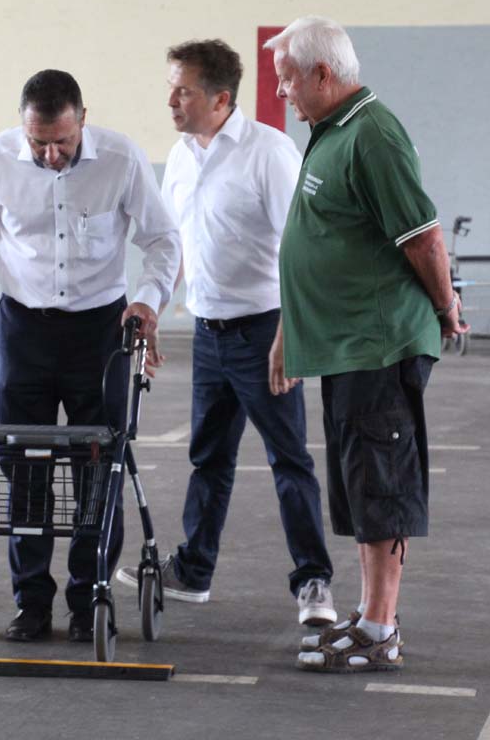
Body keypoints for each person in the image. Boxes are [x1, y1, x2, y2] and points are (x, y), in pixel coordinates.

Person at [263, 17, 466, 672]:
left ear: (323, 74)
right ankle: (370, 616)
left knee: (381, 485)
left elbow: (423, 237)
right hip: (345, 346)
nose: (282, 92)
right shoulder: (334, 132)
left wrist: (445, 307)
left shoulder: (373, 135)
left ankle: (381, 629)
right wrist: (289, 331)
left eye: (287, 79)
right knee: (360, 485)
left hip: (379, 346)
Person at [0, 69, 181, 643]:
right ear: (22, 127)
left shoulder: (121, 160)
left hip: (100, 334)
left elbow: (162, 239)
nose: (51, 155)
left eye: (62, 141)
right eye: (38, 143)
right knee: (23, 469)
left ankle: (88, 599)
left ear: (83, 119)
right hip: (22, 330)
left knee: (97, 473)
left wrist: (148, 301)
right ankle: (31, 603)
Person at [113, 39, 337, 627]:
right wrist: (153, 307)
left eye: (182, 91)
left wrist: (291, 335)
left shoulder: (270, 152)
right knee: (208, 458)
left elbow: (304, 249)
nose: (171, 101)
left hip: (265, 332)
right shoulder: (181, 156)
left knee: (289, 460)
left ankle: (313, 581)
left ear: (220, 99)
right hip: (209, 334)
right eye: (170, 89)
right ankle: (194, 571)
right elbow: (172, 244)